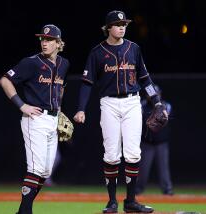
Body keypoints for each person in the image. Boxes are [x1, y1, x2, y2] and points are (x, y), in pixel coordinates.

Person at [74, 10, 166, 213]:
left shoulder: (134, 48)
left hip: (133, 103)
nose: (122, 26)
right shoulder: (97, 52)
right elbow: (87, 83)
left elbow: (145, 79)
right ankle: (112, 201)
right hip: (109, 104)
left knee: (133, 154)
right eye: (117, 24)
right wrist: (81, 109)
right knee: (111, 155)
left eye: (124, 23)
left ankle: (131, 201)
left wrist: (157, 102)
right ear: (108, 28)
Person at [0, 24, 69, 214]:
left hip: (52, 120)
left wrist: (60, 110)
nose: (44, 43)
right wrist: (22, 105)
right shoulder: (31, 63)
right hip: (35, 120)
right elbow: (5, 80)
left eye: (49, 40)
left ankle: (22, 211)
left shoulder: (64, 64)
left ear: (58, 43)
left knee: (46, 172)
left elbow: (60, 88)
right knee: (36, 168)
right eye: (43, 39)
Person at [135, 85, 174, 196]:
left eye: (156, 94)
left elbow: (166, 117)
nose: (154, 96)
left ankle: (167, 189)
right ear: (147, 95)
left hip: (161, 143)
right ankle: (138, 189)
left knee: (164, 169)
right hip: (147, 142)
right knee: (143, 169)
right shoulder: (141, 105)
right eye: (152, 94)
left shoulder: (166, 105)